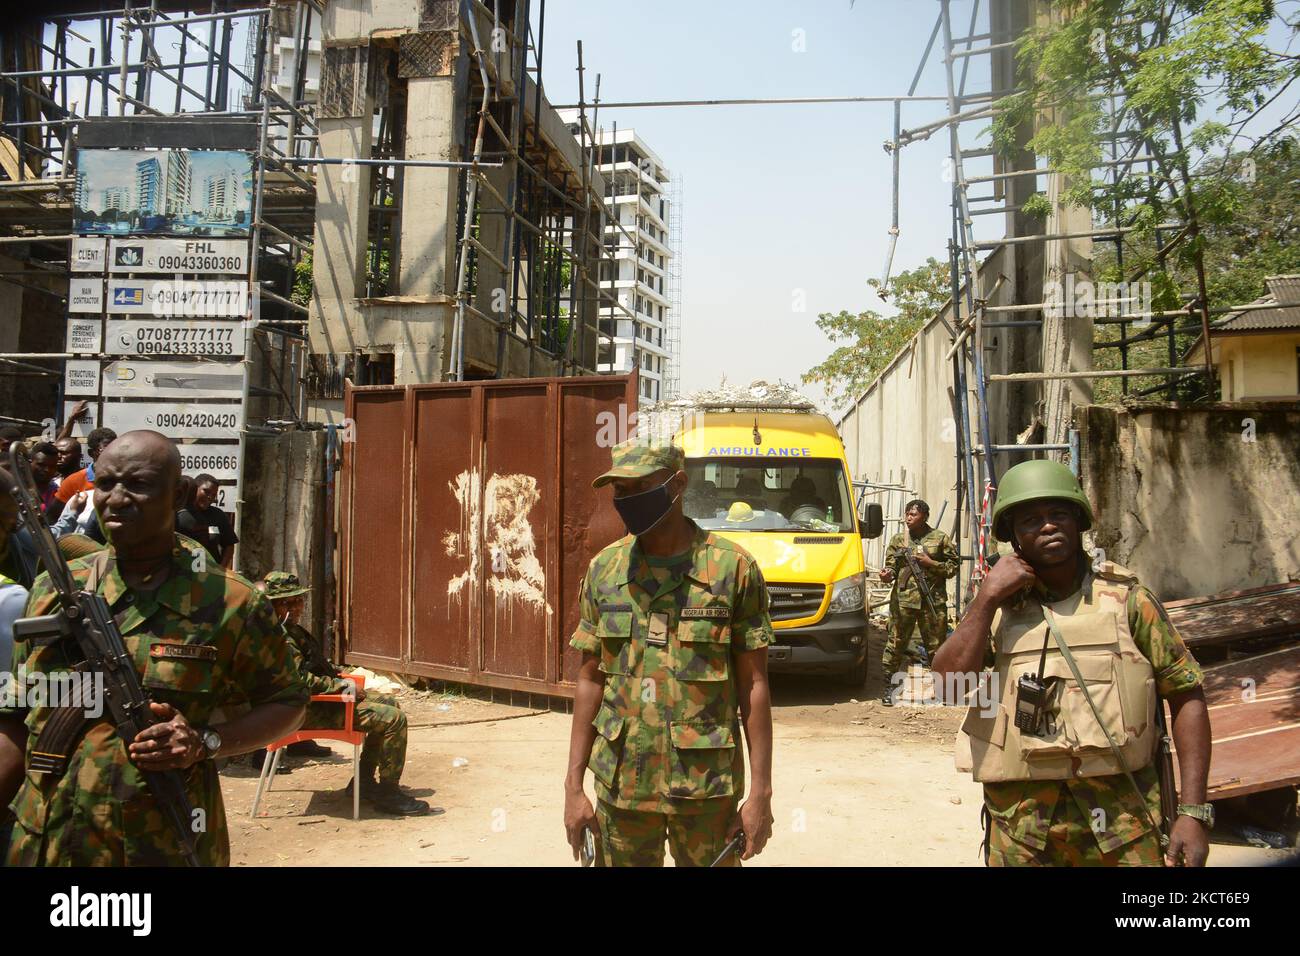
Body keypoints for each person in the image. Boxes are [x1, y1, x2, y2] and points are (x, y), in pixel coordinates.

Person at [0, 431, 308, 866]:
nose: (117, 499)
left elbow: (288, 702)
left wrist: (205, 741)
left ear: (177, 492)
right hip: (51, 839)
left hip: (163, 843)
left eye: (138, 484)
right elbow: (16, 718)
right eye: (105, 484)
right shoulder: (54, 590)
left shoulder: (229, 600)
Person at [933, 459, 1213, 867]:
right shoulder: (997, 609)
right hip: (1022, 830)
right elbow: (949, 687)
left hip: (1124, 826)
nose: (1047, 526)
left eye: (1058, 514)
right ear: (1012, 536)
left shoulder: (1129, 601)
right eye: (1030, 519)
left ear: (1079, 521)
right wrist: (986, 598)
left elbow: (1187, 697)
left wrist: (1193, 812)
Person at [563, 439, 775, 867]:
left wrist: (760, 793)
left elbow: (754, 683)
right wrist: (572, 787)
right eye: (619, 491)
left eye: (639, 487)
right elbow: (590, 679)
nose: (626, 500)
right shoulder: (605, 570)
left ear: (677, 485)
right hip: (622, 789)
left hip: (705, 792)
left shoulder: (732, 569)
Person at [257, 571, 434, 816]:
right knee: (393, 719)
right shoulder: (280, 638)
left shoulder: (291, 630)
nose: (297, 606)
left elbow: (315, 667)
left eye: (299, 600)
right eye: (289, 602)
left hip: (315, 703)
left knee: (389, 701)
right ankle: (389, 793)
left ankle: (363, 781)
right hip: (305, 711)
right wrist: (344, 687)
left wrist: (340, 675)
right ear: (274, 606)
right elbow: (300, 680)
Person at [879, 498, 958, 704]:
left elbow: (953, 567)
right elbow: (891, 567)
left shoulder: (940, 538)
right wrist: (887, 575)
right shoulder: (899, 540)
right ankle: (889, 688)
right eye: (907, 514)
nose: (908, 518)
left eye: (913, 514)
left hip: (932, 601)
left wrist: (930, 563)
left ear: (924, 516)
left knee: (937, 647)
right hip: (904, 603)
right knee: (896, 644)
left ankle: (941, 689)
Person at [48, 426, 115, 521]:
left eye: (115, 449)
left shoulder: (123, 480)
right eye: (105, 450)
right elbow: (51, 518)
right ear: (91, 453)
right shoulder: (73, 481)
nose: (112, 454)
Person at [176, 473, 237, 568]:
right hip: (183, 575)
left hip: (211, 576)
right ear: (195, 489)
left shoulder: (218, 515)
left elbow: (229, 545)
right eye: (206, 491)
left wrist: (222, 569)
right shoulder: (178, 514)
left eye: (214, 495)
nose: (210, 497)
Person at [28, 442, 59, 513]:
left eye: (52, 466)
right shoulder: (17, 487)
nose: (47, 470)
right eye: (41, 465)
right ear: (29, 463)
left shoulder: (57, 493)